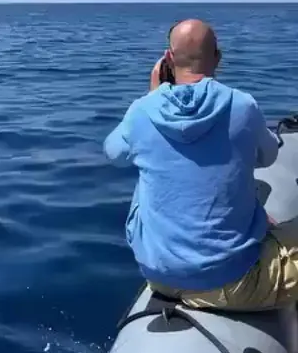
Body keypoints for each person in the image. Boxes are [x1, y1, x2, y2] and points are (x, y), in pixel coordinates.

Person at [104, 18, 298, 311]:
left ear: (168, 58)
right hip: (233, 282)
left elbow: (114, 153)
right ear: (218, 57)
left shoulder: (142, 110)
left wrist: (152, 98)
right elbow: (268, 157)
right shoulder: (242, 106)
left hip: (158, 276)